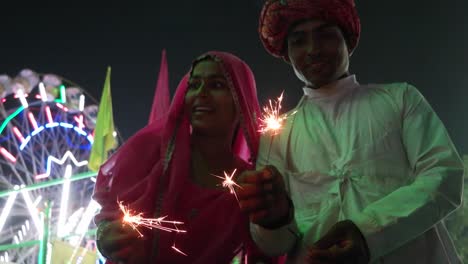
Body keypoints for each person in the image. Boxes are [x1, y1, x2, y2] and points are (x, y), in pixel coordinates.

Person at [237, 0, 465, 263]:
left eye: (325, 36)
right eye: (299, 41)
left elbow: (444, 179)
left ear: (348, 42)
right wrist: (275, 219)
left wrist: (367, 233)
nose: (313, 50)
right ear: (287, 55)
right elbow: (276, 245)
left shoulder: (400, 99)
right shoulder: (278, 133)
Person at [93, 51, 277, 263]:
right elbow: (108, 220)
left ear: (241, 99)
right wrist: (107, 238)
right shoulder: (148, 153)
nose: (202, 94)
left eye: (216, 85)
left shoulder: (251, 184)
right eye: (194, 85)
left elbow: (266, 250)